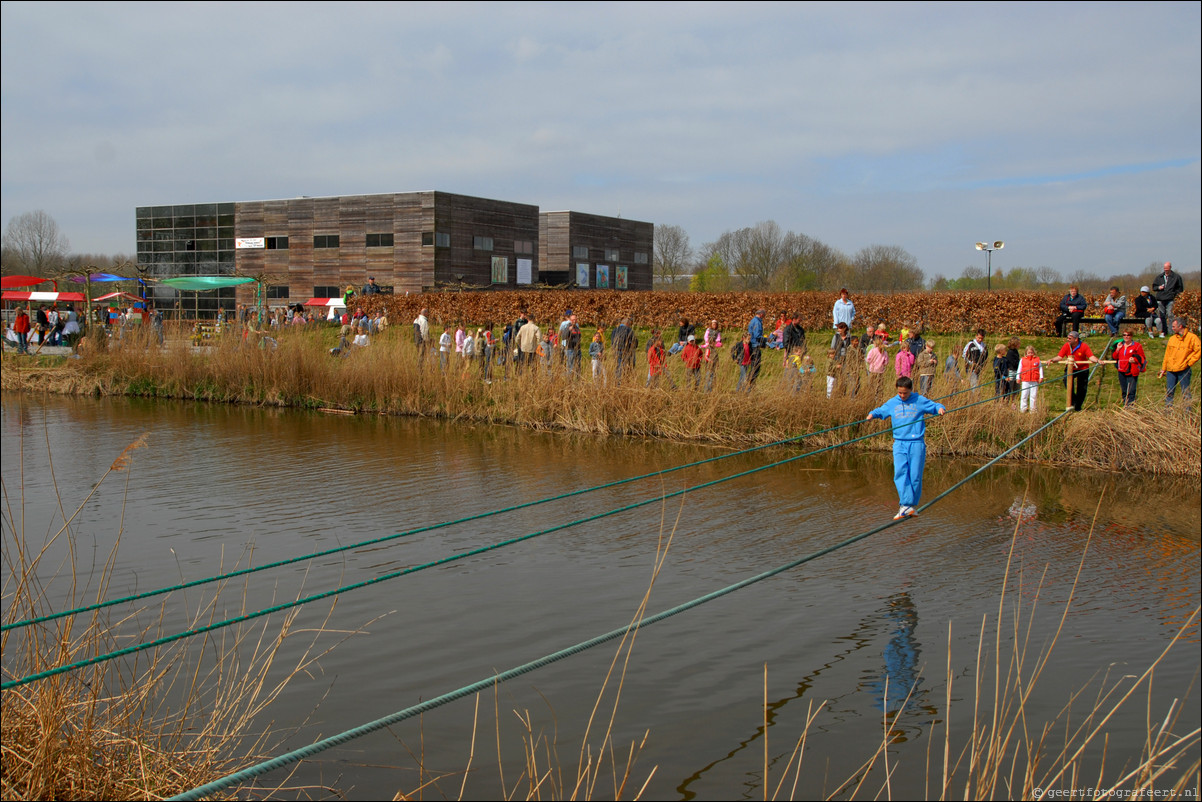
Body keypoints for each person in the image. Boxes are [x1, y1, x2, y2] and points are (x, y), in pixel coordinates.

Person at [866, 376, 946, 520]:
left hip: (916, 444)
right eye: (900, 393)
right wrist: (872, 414)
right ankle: (905, 505)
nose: (902, 396)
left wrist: (940, 409)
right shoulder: (893, 402)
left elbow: (934, 406)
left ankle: (911, 506)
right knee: (900, 473)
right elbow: (881, 410)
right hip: (899, 443)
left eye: (905, 393)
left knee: (915, 476)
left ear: (910, 390)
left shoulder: (918, 400)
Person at [1050, 331, 1098, 411]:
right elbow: (1059, 356)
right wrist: (1052, 359)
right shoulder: (1066, 346)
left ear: (1076, 339)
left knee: (1082, 388)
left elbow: (1091, 356)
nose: (1068, 340)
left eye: (1070, 338)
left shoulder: (1084, 346)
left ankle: (1078, 406)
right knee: (1066, 381)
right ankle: (1074, 400)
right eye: (1067, 338)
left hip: (1083, 368)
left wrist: (1097, 360)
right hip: (1071, 368)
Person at [1158, 316, 1200, 409]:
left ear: (1180, 326)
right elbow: (1167, 355)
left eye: (1173, 326)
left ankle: (1187, 414)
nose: (1172, 328)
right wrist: (1163, 369)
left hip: (1184, 370)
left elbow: (1198, 351)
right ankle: (1168, 412)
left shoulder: (1192, 337)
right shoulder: (1172, 339)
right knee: (1169, 392)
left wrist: (1189, 363)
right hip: (1171, 370)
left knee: (1185, 392)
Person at [1112, 330, 1146, 406]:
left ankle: (1130, 407)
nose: (1126, 337)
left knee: (1131, 390)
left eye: (1128, 335)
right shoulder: (1120, 345)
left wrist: (1134, 360)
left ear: (1131, 336)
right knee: (1124, 390)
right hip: (1121, 370)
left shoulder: (1137, 346)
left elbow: (1142, 357)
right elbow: (1114, 357)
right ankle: (1125, 405)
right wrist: (1117, 349)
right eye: (1124, 335)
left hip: (1132, 370)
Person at [1151, 262, 1183, 338]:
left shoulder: (1176, 277)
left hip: (1170, 299)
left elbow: (1180, 288)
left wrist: (1173, 294)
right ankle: (1163, 331)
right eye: (1164, 268)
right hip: (1160, 299)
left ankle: (1171, 332)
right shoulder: (1159, 277)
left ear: (1170, 268)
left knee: (1170, 315)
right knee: (1162, 316)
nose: (1166, 270)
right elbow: (1154, 287)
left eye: (1167, 268)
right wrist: (1159, 288)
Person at [1017, 345, 1044, 412]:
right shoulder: (1022, 360)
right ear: (1026, 353)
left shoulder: (1037, 360)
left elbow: (1040, 368)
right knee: (1024, 395)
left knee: (1033, 395)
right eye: (1029, 353)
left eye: (1031, 352)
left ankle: (1033, 409)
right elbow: (1019, 369)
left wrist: (1041, 377)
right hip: (1025, 379)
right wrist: (1018, 377)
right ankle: (1023, 409)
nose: (1030, 354)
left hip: (1034, 380)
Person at [746, 309, 766, 388]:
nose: (764, 317)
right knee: (756, 366)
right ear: (761, 314)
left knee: (754, 366)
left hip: (752, 345)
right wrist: (766, 339)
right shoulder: (757, 322)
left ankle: (749, 383)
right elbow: (757, 336)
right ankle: (751, 383)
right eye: (764, 315)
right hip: (755, 346)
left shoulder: (753, 320)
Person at [702, 320, 723, 391]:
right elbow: (706, 356)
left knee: (712, 378)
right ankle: (706, 390)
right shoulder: (708, 330)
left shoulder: (717, 331)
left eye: (715, 324)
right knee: (708, 377)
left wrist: (717, 364)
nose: (714, 325)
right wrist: (710, 361)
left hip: (713, 366)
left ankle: (710, 389)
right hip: (709, 366)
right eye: (713, 324)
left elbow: (718, 338)